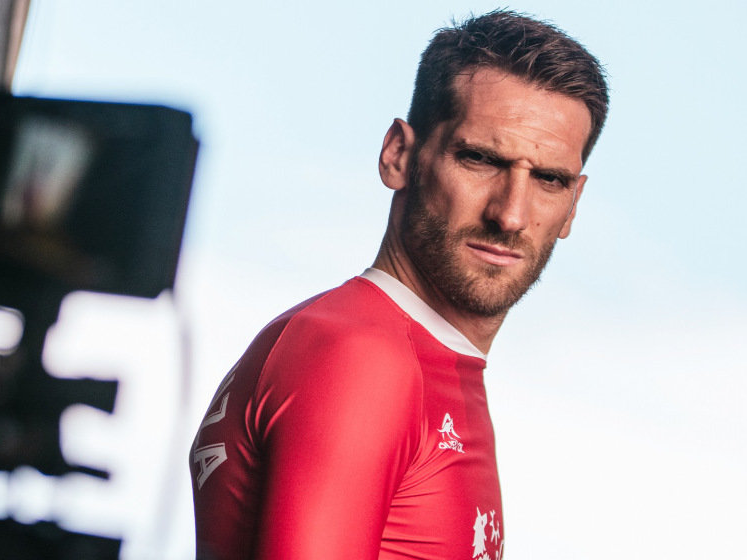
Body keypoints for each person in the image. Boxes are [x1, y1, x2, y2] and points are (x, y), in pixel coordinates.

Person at [190, 10, 609, 560]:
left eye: (548, 179)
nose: (510, 214)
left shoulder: (428, 363)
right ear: (399, 155)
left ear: (573, 204)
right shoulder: (360, 356)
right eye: (480, 159)